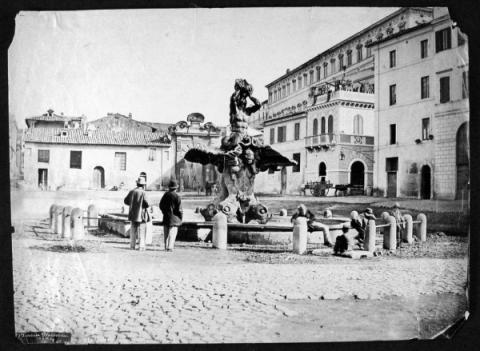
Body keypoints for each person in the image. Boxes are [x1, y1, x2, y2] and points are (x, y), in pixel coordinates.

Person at [124, 177, 150, 251]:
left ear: (137, 183)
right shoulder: (143, 192)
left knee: (133, 230)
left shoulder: (132, 191)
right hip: (141, 214)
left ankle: (132, 246)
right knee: (142, 230)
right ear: (143, 185)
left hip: (133, 214)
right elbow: (147, 204)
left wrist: (132, 203)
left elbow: (125, 201)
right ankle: (141, 246)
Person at [159, 179, 183, 252]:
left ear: (169, 187)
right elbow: (179, 209)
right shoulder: (177, 196)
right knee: (172, 232)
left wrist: (164, 212)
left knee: (166, 232)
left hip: (166, 216)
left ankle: (166, 246)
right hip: (174, 218)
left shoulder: (165, 195)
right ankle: (170, 247)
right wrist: (180, 217)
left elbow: (160, 205)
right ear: (176, 188)